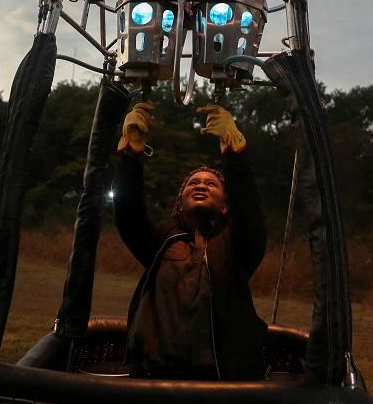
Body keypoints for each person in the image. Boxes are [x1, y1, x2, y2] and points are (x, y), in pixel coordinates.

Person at [113, 101, 268, 381]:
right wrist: (131, 154)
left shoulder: (235, 247)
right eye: (193, 183)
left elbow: (249, 211)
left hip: (221, 380)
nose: (200, 185)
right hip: (155, 378)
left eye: (211, 184)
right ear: (179, 203)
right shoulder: (161, 241)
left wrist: (234, 152)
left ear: (224, 206)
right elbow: (128, 213)